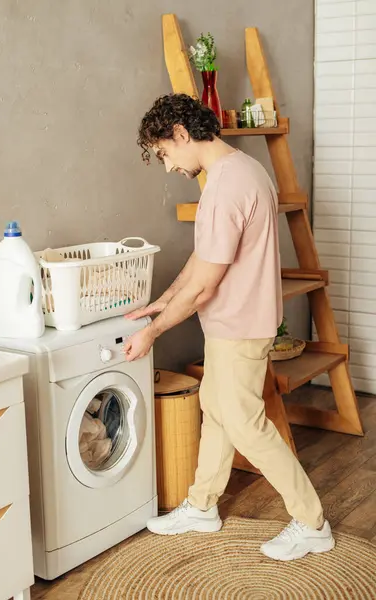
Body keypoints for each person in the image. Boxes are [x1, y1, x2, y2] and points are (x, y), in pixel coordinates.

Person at [123, 93, 335, 561]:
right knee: (216, 407)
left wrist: (152, 333)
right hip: (235, 320)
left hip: (239, 324)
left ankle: (311, 521)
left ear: (181, 133)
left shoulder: (223, 189)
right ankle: (202, 506)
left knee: (244, 421)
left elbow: (204, 287)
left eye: (164, 153)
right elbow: (204, 259)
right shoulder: (241, 168)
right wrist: (164, 300)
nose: (167, 166)